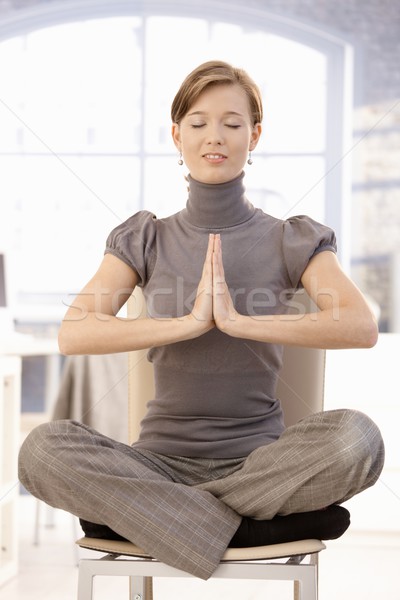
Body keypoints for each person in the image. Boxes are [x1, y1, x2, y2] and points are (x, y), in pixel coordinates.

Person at [18, 60, 384, 580]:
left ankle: (164, 520)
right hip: (157, 465)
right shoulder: (145, 237)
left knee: (358, 440)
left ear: (254, 136)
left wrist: (240, 322)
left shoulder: (291, 238)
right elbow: (74, 332)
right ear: (177, 135)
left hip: (260, 465)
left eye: (233, 124)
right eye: (198, 122)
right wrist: (187, 323)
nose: (215, 136)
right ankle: (243, 525)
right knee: (40, 452)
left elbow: (358, 325)